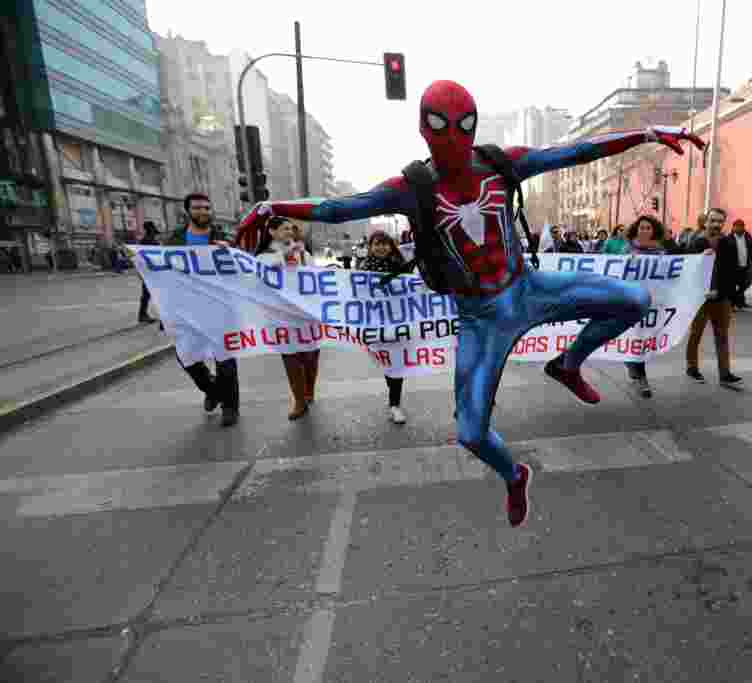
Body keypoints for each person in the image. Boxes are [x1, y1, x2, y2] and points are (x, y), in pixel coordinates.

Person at [236, 79, 704, 527]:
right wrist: (273, 207)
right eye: (441, 127)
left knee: (634, 300)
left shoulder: (503, 164)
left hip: (530, 289)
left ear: (475, 125)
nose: (454, 139)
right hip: (482, 319)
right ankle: (515, 475)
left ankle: (568, 363)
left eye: (464, 125)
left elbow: (576, 152)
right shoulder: (412, 187)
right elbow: (340, 207)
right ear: (424, 129)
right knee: (471, 433)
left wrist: (645, 134)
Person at [164, 193, 240, 427]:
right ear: (187, 211)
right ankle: (212, 388)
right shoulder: (174, 241)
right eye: (197, 208)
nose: (203, 212)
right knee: (186, 356)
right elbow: (158, 270)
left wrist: (230, 254)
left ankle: (230, 407)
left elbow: (241, 270)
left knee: (225, 359)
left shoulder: (224, 238)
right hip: (186, 310)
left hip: (219, 308)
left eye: (207, 208)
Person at [254, 216, 320, 420]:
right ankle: (299, 400)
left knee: (310, 357)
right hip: (281, 316)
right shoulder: (265, 256)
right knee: (291, 358)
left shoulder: (303, 254)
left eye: (291, 229)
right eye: (284, 229)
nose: (289, 233)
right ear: (272, 232)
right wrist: (283, 255)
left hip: (306, 314)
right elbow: (260, 275)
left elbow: (315, 277)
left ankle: (309, 391)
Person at [685, 209, 744, 387]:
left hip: (721, 297)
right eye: (713, 221)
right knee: (696, 334)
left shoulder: (728, 242)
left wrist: (722, 292)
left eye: (720, 221)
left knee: (722, 335)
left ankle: (725, 373)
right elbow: (687, 269)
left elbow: (732, 272)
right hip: (699, 298)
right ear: (706, 222)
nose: (716, 224)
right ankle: (692, 367)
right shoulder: (696, 242)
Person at [361, 230, 411, 423]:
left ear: (391, 246)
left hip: (398, 322)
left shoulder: (402, 267)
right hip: (376, 325)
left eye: (385, 243)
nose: (381, 247)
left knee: (397, 365)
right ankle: (393, 392)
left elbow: (412, 290)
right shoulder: (362, 269)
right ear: (370, 247)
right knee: (386, 364)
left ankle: (395, 405)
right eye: (377, 243)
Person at [621, 215, 668, 398]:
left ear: (653, 231)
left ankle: (632, 364)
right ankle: (641, 378)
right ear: (636, 229)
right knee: (635, 338)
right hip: (631, 300)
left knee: (642, 338)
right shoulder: (627, 249)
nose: (645, 230)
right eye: (642, 227)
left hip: (652, 302)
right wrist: (628, 261)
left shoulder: (661, 252)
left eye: (648, 228)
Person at [137, 221, 160, 324]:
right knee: (148, 294)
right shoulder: (149, 241)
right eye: (154, 231)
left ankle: (142, 315)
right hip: (151, 271)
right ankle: (143, 315)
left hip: (148, 271)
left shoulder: (144, 241)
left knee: (147, 294)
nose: (155, 234)